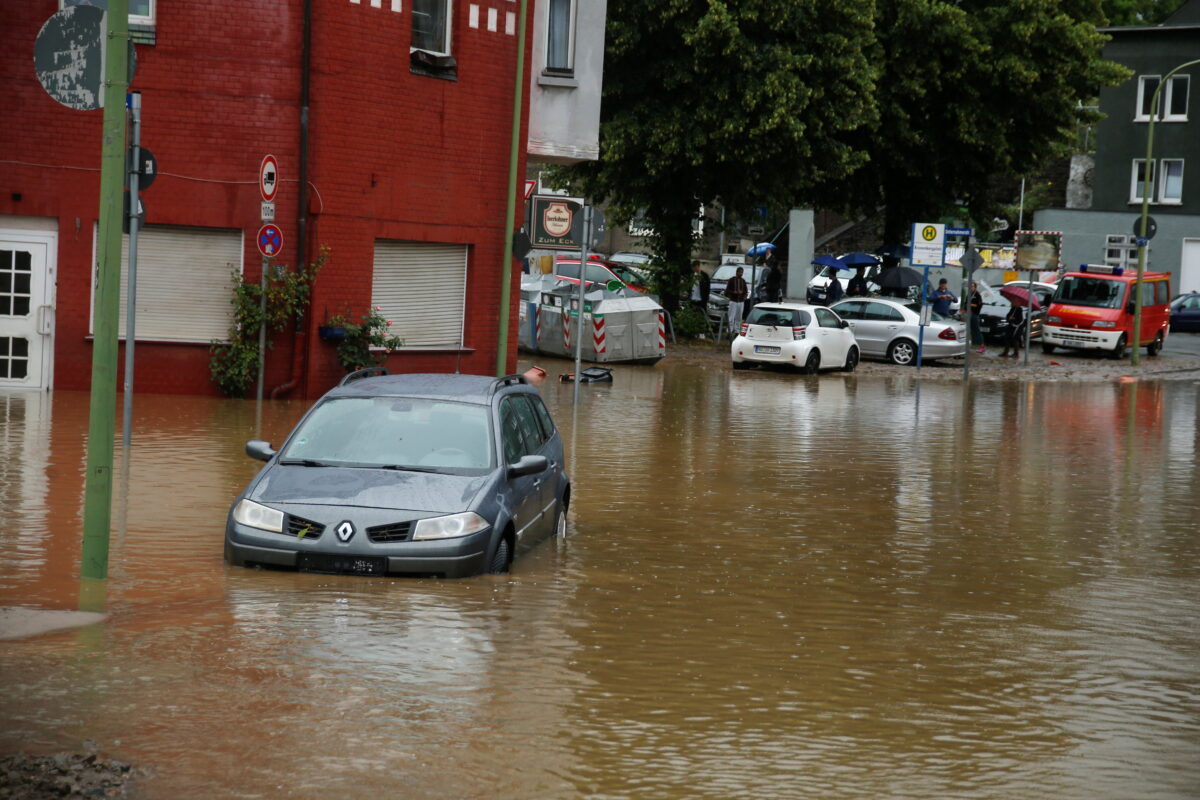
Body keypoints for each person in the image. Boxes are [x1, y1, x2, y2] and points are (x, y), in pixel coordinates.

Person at [725, 266, 749, 334]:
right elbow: (727, 290)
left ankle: (737, 330)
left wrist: (744, 295)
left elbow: (746, 291)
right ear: (737, 272)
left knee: (739, 317)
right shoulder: (731, 280)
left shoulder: (743, 281)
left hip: (741, 301)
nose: (741, 274)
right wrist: (733, 292)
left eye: (742, 272)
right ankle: (729, 330)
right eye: (740, 272)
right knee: (731, 316)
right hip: (733, 300)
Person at [967, 281, 985, 353]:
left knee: (977, 330)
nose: (971, 288)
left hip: (975, 314)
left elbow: (978, 305)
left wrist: (970, 304)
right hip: (969, 314)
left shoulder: (977, 295)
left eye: (972, 286)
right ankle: (970, 344)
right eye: (970, 286)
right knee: (970, 331)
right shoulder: (969, 294)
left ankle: (982, 346)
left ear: (975, 287)